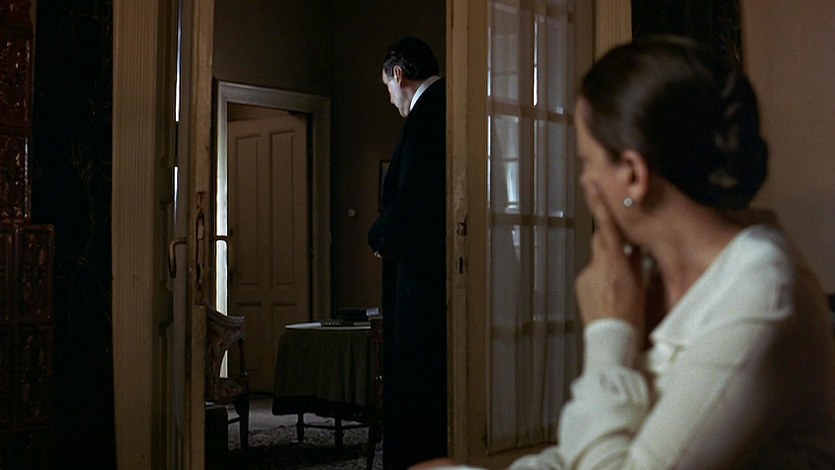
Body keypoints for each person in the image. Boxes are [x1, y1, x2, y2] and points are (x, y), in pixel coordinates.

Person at [415, 36, 835, 469]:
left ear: (633, 174)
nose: (585, 182)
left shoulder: (761, 297)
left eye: (588, 162)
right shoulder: (653, 273)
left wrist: (609, 332)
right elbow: (592, 450)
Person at [367, 36, 447, 470]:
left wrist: (376, 235)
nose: (389, 98)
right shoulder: (448, 107)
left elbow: (413, 198)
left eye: (387, 87)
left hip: (423, 275)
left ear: (399, 75)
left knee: (417, 378)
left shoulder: (425, 115)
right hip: (437, 267)